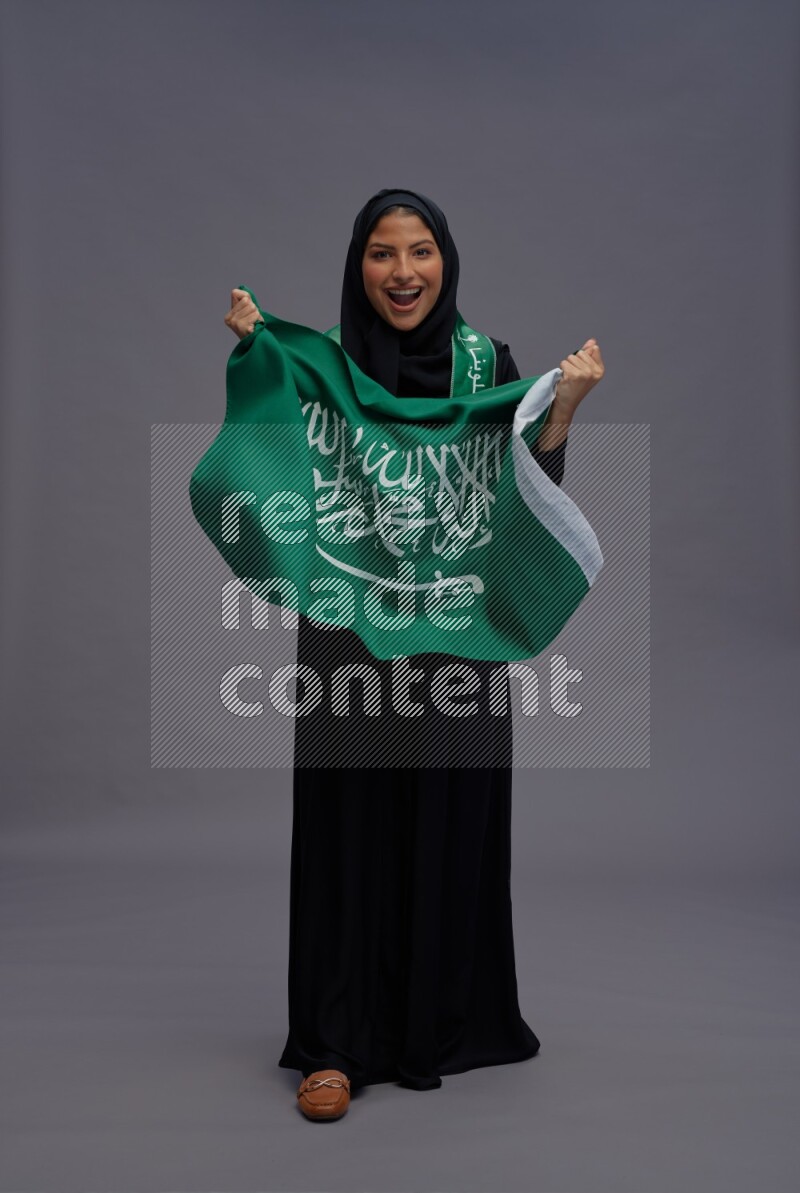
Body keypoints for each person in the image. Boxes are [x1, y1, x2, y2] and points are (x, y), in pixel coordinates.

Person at [223, 188, 605, 1121]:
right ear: (359, 266)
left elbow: (527, 503)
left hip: (460, 643)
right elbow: (272, 474)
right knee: (348, 831)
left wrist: (561, 413)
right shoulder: (325, 368)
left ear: (446, 260)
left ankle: (437, 1023)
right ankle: (333, 1045)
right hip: (348, 631)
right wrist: (256, 359)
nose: (403, 273)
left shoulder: (489, 366)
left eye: (421, 251)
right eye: (383, 254)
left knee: (450, 818)